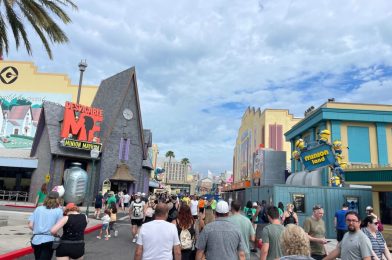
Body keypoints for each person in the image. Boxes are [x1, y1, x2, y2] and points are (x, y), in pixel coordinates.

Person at [29, 191, 63, 260]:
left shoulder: (38, 209)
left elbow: (30, 225)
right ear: (57, 199)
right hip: (49, 239)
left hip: (36, 239)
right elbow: (58, 227)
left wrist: (38, 230)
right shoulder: (59, 211)